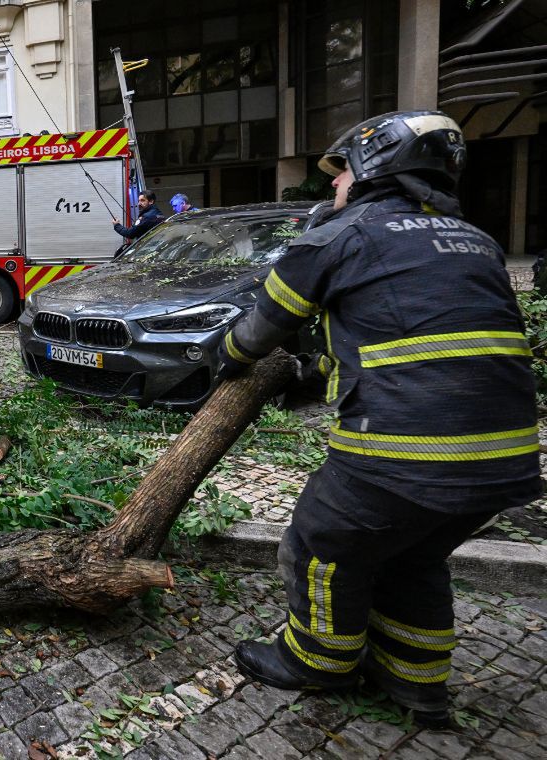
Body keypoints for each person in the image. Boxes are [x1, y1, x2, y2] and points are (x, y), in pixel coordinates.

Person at [214, 111, 539, 728]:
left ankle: (317, 661)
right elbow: (418, 336)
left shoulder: (343, 234)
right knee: (411, 556)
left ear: (372, 166)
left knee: (319, 541)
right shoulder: (475, 239)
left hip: (406, 448)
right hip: (508, 457)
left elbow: (258, 329)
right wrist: (320, 374)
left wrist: (228, 361)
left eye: (339, 178)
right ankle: (416, 683)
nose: (332, 188)